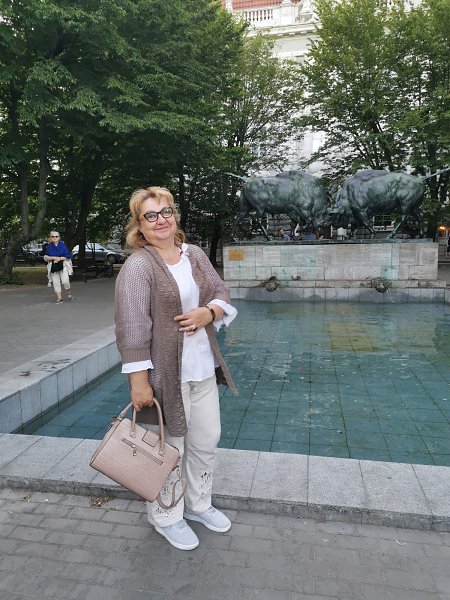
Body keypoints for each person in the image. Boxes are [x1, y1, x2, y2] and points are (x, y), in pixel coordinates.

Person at [115, 186, 238, 551]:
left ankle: (198, 504)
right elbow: (132, 328)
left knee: (206, 440)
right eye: (150, 215)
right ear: (139, 225)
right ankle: (166, 515)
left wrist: (208, 312)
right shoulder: (139, 266)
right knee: (170, 449)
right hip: (166, 376)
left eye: (165, 211)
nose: (161, 220)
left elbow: (221, 292)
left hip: (203, 370)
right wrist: (139, 383)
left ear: (175, 215)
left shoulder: (194, 254)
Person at [44, 231, 72, 303]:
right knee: (56, 282)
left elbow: (68, 256)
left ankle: (68, 291)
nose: (54, 238)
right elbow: (46, 257)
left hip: (63, 265)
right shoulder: (49, 246)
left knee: (65, 281)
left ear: (59, 237)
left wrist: (60, 258)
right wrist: (53, 258)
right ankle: (59, 298)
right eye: (53, 236)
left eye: (56, 236)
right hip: (53, 266)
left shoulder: (62, 245)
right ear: (51, 237)